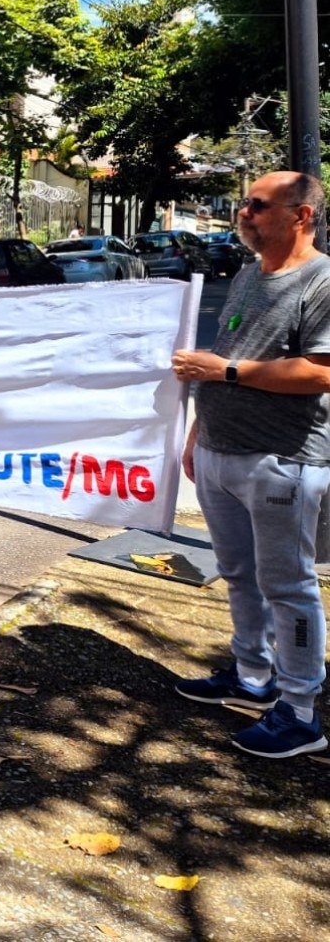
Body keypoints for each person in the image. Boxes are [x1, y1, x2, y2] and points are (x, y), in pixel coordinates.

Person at [171, 171, 330, 758]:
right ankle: (252, 676)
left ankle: (301, 712)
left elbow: (321, 372)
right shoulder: (245, 276)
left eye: (257, 205)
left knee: (289, 586)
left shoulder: (322, 281)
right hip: (219, 453)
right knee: (239, 574)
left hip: (280, 460)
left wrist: (226, 374)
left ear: (301, 216)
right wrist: (196, 434)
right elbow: (223, 357)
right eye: (244, 204)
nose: (243, 212)